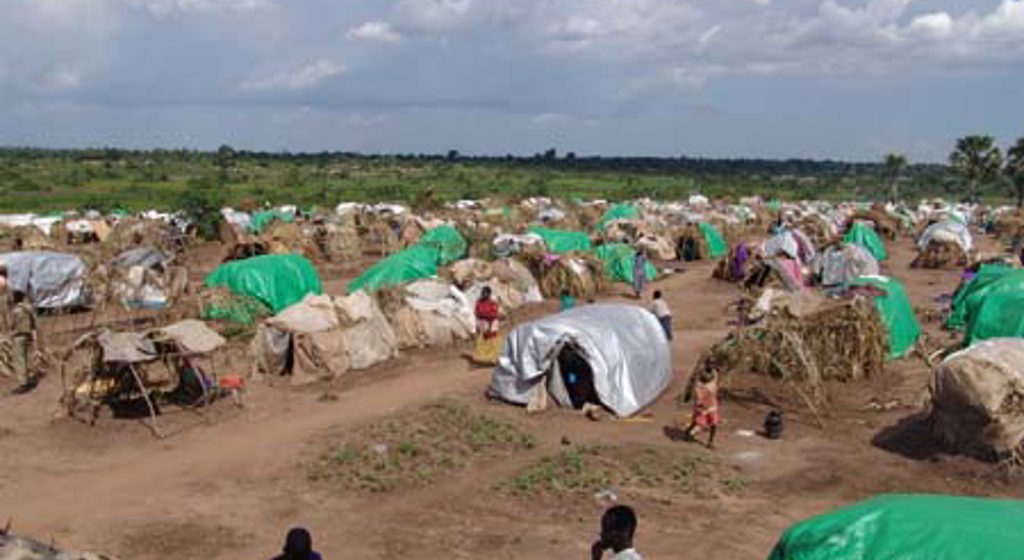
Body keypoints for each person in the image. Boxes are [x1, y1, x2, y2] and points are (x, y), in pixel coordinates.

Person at [682, 366, 720, 449]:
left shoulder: (713, 381)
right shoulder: (698, 388)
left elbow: (715, 373)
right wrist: (703, 410)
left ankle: (710, 442)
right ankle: (687, 432)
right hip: (703, 408)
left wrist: (711, 367)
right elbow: (699, 402)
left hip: (712, 406)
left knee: (714, 423)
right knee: (697, 422)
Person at [9, 290, 37, 394]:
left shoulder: (15, 311)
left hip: (18, 336)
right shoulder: (28, 309)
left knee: (20, 360)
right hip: (28, 335)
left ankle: (23, 383)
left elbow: (11, 324)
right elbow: (34, 322)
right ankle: (30, 378)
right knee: (28, 357)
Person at [472, 286, 502, 365]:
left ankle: (495, 358)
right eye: (483, 293)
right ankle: (487, 358)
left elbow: (494, 314)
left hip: (492, 322)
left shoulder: (492, 303)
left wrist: (490, 324)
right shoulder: (479, 302)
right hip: (483, 322)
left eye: (485, 293)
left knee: (492, 339)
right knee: (484, 339)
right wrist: (478, 326)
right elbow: (476, 313)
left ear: (489, 294)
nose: (484, 294)